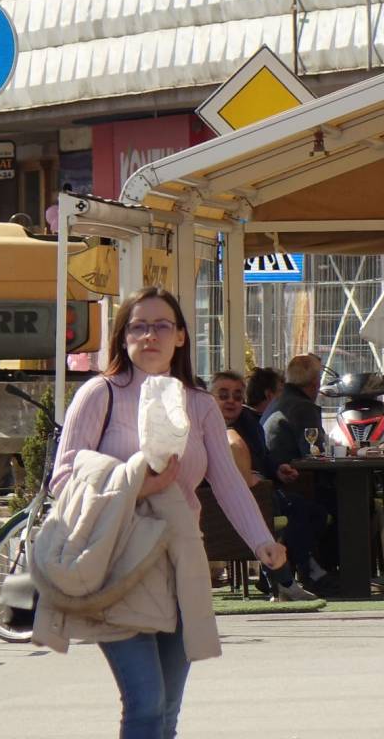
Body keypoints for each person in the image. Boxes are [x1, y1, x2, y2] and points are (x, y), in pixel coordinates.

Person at [50, 287, 288, 738]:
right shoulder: (100, 394)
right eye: (138, 326)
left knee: (167, 713)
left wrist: (262, 542)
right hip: (118, 563)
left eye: (162, 326)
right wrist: (137, 485)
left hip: (181, 565)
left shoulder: (199, 404)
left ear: (180, 336)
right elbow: (63, 479)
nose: (150, 336)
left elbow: (227, 481)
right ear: (122, 337)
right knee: (146, 704)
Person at [210, 370, 325, 600]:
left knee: (315, 510)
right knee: (291, 511)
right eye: (223, 395)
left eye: (237, 396)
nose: (231, 401)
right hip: (222, 502)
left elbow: (264, 456)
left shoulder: (250, 421)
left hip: (264, 491)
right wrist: (247, 477)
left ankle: (297, 572)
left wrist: (278, 469)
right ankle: (296, 575)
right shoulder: (203, 428)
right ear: (210, 399)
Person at [262, 354, 339, 587]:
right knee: (348, 502)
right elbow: (314, 453)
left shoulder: (279, 402)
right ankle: (327, 569)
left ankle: (293, 567)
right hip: (291, 483)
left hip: (270, 485)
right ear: (315, 383)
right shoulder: (303, 407)